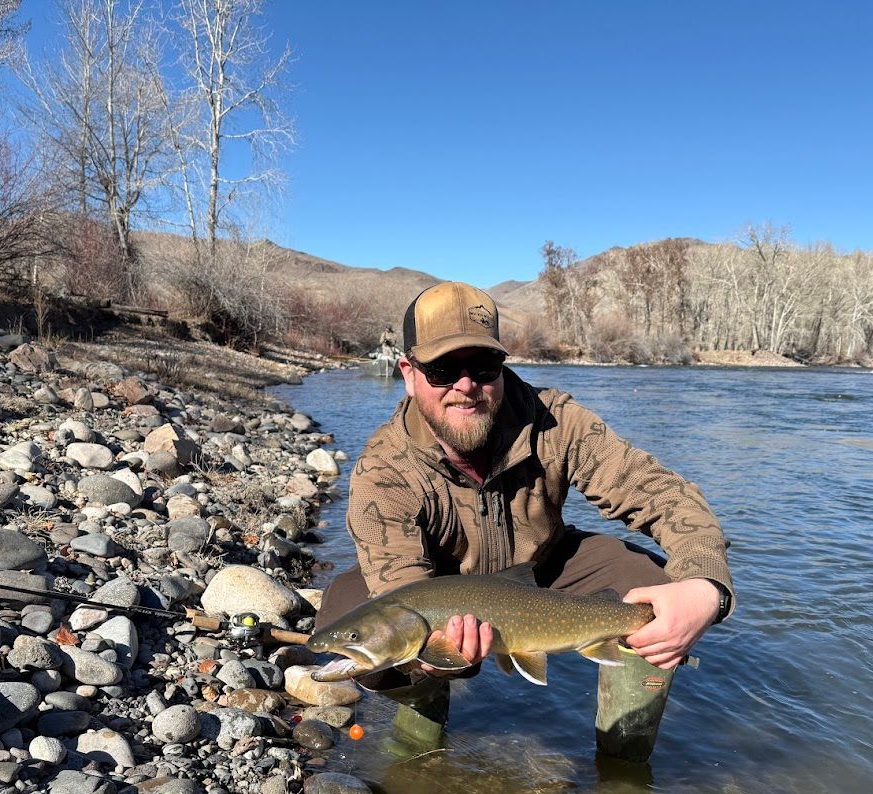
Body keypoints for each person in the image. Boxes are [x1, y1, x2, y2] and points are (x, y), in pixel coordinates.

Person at [315, 281, 735, 761]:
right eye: (443, 369)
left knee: (659, 586)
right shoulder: (383, 469)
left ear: (502, 366)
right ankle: (421, 724)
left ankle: (624, 767)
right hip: (438, 586)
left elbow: (666, 496)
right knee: (356, 616)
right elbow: (402, 586)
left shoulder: (556, 421)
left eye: (484, 366)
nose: (466, 385)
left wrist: (706, 588)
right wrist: (440, 661)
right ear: (408, 372)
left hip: (544, 566)